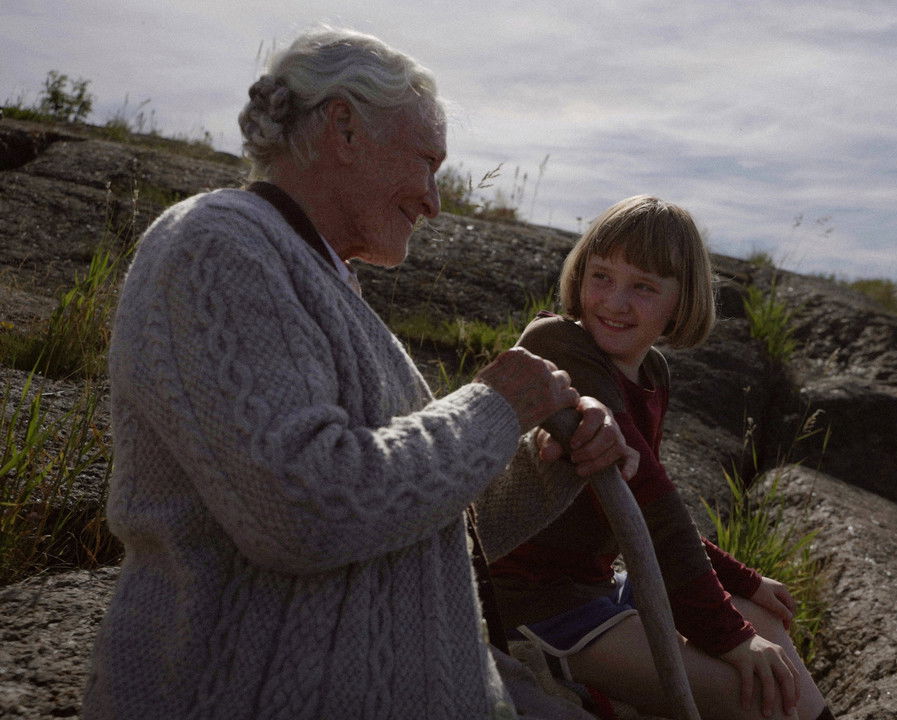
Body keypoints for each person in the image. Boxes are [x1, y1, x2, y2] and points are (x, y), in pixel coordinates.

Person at [81, 27, 634, 720]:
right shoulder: (217, 243)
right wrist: (494, 407)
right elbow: (303, 510)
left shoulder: (316, 278)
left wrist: (547, 463)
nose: (433, 201)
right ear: (343, 127)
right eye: (426, 162)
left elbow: (408, 523)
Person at [483, 196, 832, 720]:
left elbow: (640, 504)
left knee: (764, 619)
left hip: (601, 587)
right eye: (601, 276)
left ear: (680, 301)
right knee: (756, 696)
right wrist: (729, 637)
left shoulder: (652, 373)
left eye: (643, 287)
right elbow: (649, 502)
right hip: (538, 605)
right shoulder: (557, 341)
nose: (615, 301)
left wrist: (744, 583)